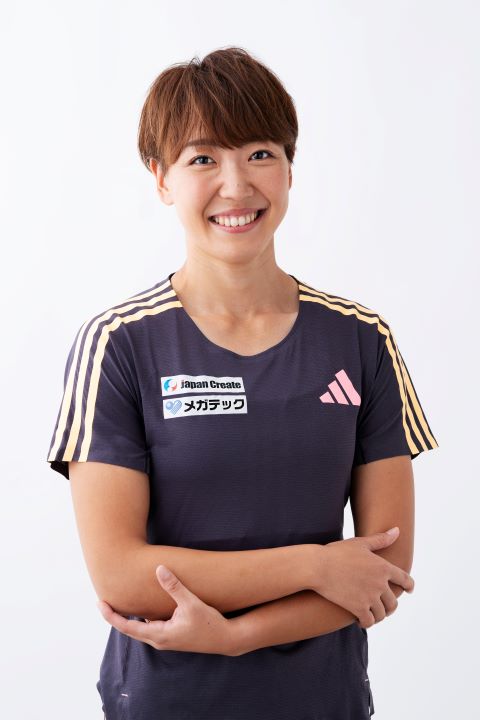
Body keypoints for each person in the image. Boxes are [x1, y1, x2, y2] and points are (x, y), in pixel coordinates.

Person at [46, 46, 439, 720]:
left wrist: (237, 637)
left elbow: (383, 571)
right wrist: (316, 565)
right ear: (161, 178)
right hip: (167, 703)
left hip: (325, 703)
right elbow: (122, 575)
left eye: (259, 153)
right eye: (203, 159)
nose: (236, 186)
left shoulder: (360, 339)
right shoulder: (119, 343)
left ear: (289, 169)